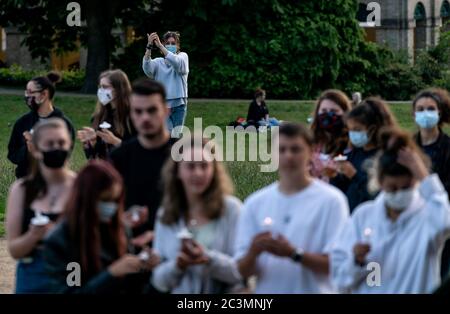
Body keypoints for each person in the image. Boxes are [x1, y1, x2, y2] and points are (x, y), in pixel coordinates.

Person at [331, 127, 450, 293]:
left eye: (406, 187)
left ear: (416, 181)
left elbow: (445, 220)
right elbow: (339, 279)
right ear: (380, 182)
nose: (399, 193)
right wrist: (355, 261)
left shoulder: (427, 215)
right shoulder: (364, 216)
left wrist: (421, 171)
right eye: (392, 188)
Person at [235, 122, 349, 293]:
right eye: (281, 150)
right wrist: (253, 251)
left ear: (310, 152)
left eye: (295, 150)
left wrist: (294, 254)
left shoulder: (331, 201)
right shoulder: (255, 203)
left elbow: (337, 265)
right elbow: (240, 271)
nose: (288, 156)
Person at [43, 160, 159, 293]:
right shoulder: (63, 241)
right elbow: (71, 291)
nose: (111, 206)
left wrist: (144, 267)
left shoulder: (118, 229)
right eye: (105, 200)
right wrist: (112, 274)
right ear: (86, 198)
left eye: (115, 200)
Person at [151, 136, 243, 294]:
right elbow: (159, 280)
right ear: (178, 171)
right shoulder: (166, 214)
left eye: (204, 166)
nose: (198, 173)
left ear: (214, 170)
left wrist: (208, 259)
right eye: (191, 166)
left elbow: (242, 271)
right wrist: (178, 265)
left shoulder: (231, 209)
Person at [6, 118, 76, 293]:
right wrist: (33, 235)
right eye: (49, 143)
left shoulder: (80, 187)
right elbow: (14, 250)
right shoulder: (21, 190)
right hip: (32, 270)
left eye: (61, 143)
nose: (56, 148)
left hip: (71, 267)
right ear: (36, 150)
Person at [109, 78, 176, 248]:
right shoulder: (119, 157)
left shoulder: (184, 155)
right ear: (131, 113)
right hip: (130, 244)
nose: (145, 117)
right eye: (138, 111)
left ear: (166, 111)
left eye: (152, 110)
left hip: (174, 243)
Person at [330, 97, 398, 213]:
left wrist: (354, 175)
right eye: (350, 129)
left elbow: (379, 195)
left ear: (373, 129)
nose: (352, 134)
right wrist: (335, 176)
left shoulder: (386, 157)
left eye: (357, 129)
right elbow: (343, 190)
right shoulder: (354, 153)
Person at [412, 88, 450, 278]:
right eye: (420, 109)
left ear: (439, 112)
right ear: (413, 114)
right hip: (412, 222)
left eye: (430, 108)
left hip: (441, 222)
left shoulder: (448, 147)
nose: (425, 113)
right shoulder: (408, 146)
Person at [8, 72, 75, 178]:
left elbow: (66, 154)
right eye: (26, 92)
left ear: (44, 94)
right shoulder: (22, 122)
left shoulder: (63, 124)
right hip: (26, 180)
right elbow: (12, 154)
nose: (27, 96)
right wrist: (27, 149)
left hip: (54, 180)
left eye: (31, 92)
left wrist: (39, 147)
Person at [78, 70, 136, 159]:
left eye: (105, 87)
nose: (101, 91)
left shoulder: (132, 116)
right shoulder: (99, 116)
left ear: (118, 89)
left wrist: (116, 142)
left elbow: (140, 151)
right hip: (106, 169)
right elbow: (92, 155)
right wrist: (92, 142)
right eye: (100, 87)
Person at [143, 31, 189, 136]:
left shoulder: (183, 57)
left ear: (178, 46)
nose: (170, 45)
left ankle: (173, 152)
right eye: (168, 43)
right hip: (162, 105)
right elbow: (147, 69)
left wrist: (159, 46)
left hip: (179, 105)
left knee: (176, 136)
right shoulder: (158, 62)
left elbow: (177, 64)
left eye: (173, 43)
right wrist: (149, 46)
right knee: (166, 135)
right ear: (164, 44)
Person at [309, 90, 352, 183]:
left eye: (334, 111)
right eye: (324, 111)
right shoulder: (309, 140)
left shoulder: (351, 142)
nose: (328, 115)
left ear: (345, 113)